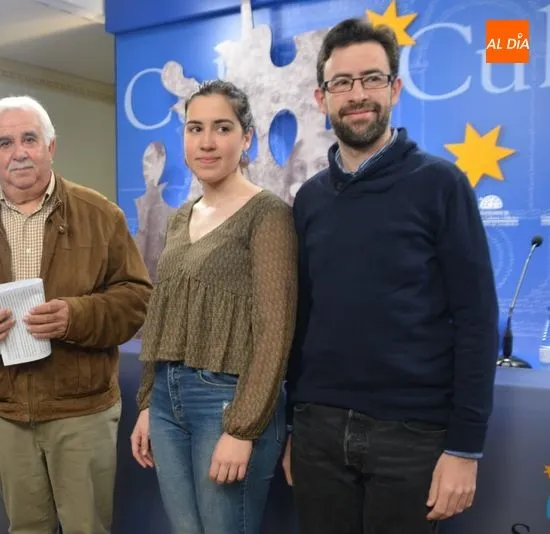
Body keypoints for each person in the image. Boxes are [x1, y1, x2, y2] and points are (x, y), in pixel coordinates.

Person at [282, 18, 498, 534]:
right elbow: (302, 317)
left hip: (413, 435)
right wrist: (294, 424)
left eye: (372, 79)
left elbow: (476, 320)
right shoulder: (309, 199)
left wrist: (465, 448)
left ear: (395, 89)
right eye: (342, 83)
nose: (357, 95)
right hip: (319, 431)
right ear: (321, 97)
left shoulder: (441, 185)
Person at [0, 95, 152, 534]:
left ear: (50, 146)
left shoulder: (101, 215)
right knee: (26, 528)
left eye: (29, 139)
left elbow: (137, 299)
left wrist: (75, 317)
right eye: (5, 142)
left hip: (81, 413)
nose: (18, 152)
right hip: (4, 414)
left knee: (86, 528)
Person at [129, 80, 297, 534]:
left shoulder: (268, 214)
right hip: (167, 398)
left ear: (246, 138)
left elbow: (274, 330)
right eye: (194, 128)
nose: (206, 142)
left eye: (222, 128)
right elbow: (164, 315)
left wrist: (243, 428)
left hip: (228, 400)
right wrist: (148, 402)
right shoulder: (182, 216)